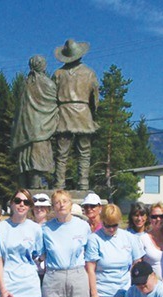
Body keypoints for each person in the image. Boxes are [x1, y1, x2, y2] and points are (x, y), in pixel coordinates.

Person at [52, 39, 99, 190]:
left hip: (63, 114)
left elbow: (52, 97)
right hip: (83, 115)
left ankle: (59, 183)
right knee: (84, 153)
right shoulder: (90, 73)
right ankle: (83, 183)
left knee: (61, 154)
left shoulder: (58, 74)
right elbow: (95, 99)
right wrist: (92, 113)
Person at [12, 55, 58, 188]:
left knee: (27, 163)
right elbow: (54, 105)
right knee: (36, 164)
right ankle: (33, 193)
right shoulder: (48, 84)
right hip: (41, 130)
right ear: (43, 66)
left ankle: (26, 192)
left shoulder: (25, 84)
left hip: (24, 131)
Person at [141, 202, 163, 279]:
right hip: (153, 285)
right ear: (149, 218)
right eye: (154, 217)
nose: (158, 219)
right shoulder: (143, 239)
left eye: (162, 216)